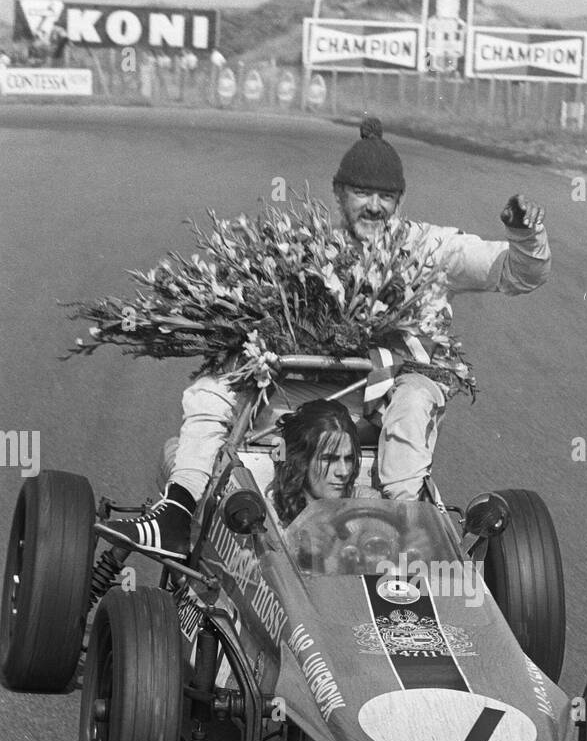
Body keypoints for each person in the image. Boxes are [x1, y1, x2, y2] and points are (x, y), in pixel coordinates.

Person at [100, 117, 550, 560]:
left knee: (413, 402)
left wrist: (524, 235)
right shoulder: (305, 250)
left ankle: (409, 530)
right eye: (362, 193)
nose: (374, 206)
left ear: (400, 200)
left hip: (396, 394)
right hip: (320, 395)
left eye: (386, 196)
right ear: (338, 194)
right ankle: (177, 515)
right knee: (211, 389)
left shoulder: (434, 249)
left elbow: (516, 273)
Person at [269, 399, 360, 524]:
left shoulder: (364, 505)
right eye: (329, 459)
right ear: (300, 460)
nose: (343, 472)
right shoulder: (270, 520)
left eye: (349, 458)